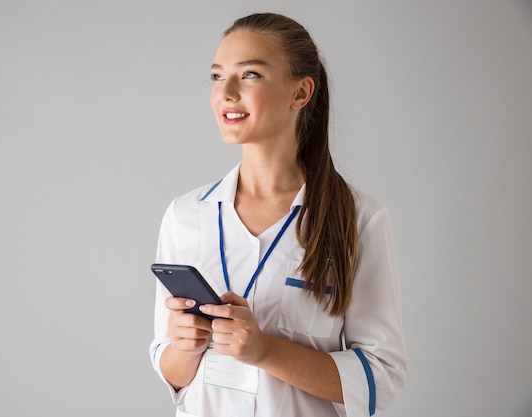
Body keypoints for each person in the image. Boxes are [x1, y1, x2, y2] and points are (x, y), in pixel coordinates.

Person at [149, 12, 407, 417]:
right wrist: (184, 345)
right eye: (217, 76)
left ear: (301, 93)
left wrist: (265, 350)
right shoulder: (185, 215)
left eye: (249, 74)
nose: (226, 92)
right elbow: (172, 371)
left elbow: (380, 376)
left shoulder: (358, 219)